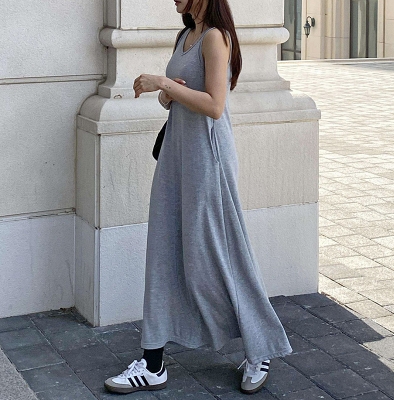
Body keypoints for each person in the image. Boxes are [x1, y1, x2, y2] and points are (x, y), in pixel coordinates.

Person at [104, 0, 292, 395]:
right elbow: (177, 97)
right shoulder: (186, 35)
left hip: (208, 159)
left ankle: (260, 347)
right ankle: (152, 363)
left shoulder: (215, 38)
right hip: (176, 156)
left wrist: (164, 84)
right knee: (164, 251)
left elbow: (215, 106)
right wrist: (167, 94)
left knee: (219, 256)